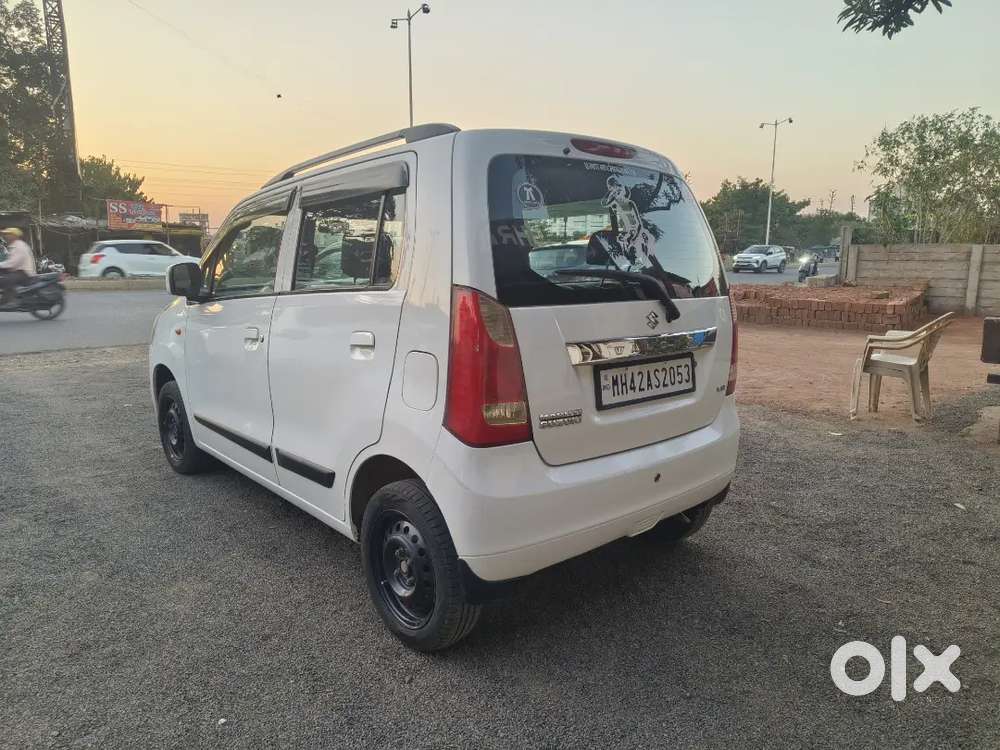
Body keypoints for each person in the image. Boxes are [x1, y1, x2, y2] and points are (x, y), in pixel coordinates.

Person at [0, 227, 37, 306]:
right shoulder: (13, 245)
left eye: (8, 234)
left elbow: (13, 263)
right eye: (5, 234)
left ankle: (10, 300)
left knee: (8, 279)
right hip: (17, 270)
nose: (5, 236)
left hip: (25, 273)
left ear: (14, 236)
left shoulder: (20, 246)